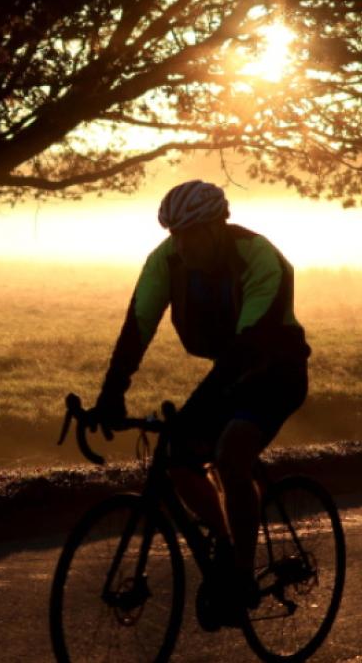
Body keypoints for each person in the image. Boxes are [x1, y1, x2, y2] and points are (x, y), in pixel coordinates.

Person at [89, 180, 312, 625]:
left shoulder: (259, 257)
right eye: (175, 234)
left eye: (189, 234)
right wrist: (111, 394)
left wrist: (198, 410)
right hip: (230, 369)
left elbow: (248, 348)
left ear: (216, 227)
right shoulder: (166, 260)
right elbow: (137, 327)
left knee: (230, 455)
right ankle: (225, 543)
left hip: (276, 370)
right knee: (176, 459)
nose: (181, 245)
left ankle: (242, 576)